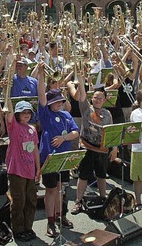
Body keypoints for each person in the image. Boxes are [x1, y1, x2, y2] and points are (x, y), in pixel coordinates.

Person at [37, 61, 80, 237]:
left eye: (60, 101)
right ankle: (50, 221)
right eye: (56, 102)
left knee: (62, 188)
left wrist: (64, 137)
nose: (59, 104)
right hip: (50, 156)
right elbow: (41, 94)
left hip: (65, 155)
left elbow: (76, 132)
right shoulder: (46, 114)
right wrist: (40, 74)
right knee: (51, 189)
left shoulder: (66, 114)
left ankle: (61, 215)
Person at [67, 71, 117, 214]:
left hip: (102, 150)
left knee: (101, 176)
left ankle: (103, 198)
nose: (97, 100)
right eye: (95, 97)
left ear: (105, 100)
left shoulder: (108, 114)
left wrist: (114, 148)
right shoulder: (86, 108)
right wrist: (81, 81)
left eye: (100, 98)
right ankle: (78, 201)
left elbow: (112, 133)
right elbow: (82, 97)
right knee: (83, 176)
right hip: (87, 147)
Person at [3, 99, 40, 242]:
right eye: (23, 112)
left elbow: (35, 149)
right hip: (16, 170)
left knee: (31, 199)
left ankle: (28, 227)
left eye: (28, 112)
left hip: (30, 170)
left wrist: (38, 169)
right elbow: (9, 112)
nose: (26, 115)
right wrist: (7, 89)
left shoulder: (32, 129)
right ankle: (18, 230)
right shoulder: (14, 127)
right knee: (19, 201)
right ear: (18, 114)